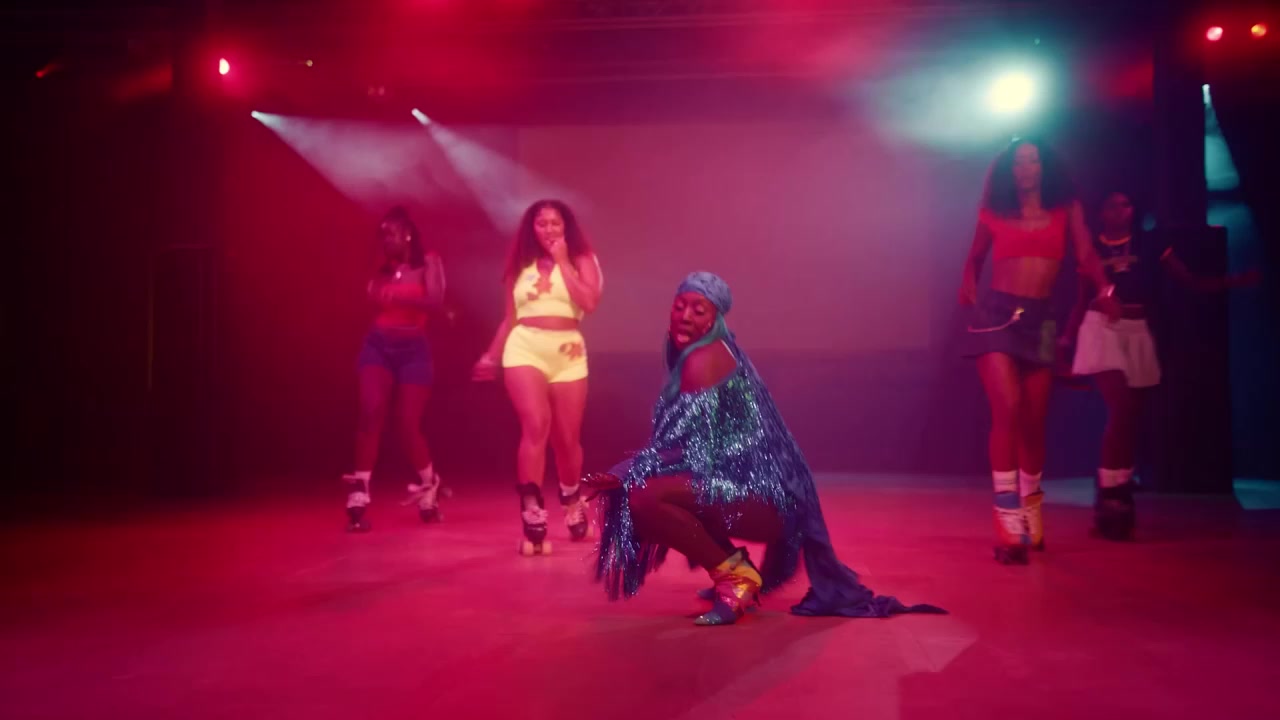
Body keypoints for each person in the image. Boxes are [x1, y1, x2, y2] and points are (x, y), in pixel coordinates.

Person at [582, 272, 945, 626]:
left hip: (768, 503)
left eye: (698, 310)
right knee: (650, 489)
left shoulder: (703, 360)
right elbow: (691, 450)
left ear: (715, 319)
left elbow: (687, 451)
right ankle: (737, 571)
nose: (685, 316)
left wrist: (624, 473)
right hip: (763, 496)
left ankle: (735, 579)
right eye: (680, 307)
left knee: (643, 497)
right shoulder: (715, 350)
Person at [958, 137, 1120, 564]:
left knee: (1033, 423)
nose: (1026, 168)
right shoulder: (994, 211)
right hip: (997, 317)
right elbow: (975, 257)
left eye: (1033, 161)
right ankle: (1008, 519)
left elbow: (1086, 254)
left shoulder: (1066, 210)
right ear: (1009, 170)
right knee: (1008, 408)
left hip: (1041, 321)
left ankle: (1031, 508)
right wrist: (968, 282)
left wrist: (1104, 289)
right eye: (1019, 162)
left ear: (1043, 167)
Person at [1061, 190, 1259, 540]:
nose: (1120, 210)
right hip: (1100, 327)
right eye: (1112, 205)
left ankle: (1118, 490)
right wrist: (1065, 341)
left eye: (1126, 204)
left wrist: (1232, 281)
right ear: (1101, 212)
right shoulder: (1092, 249)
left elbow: (1189, 280)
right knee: (1121, 409)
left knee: (1132, 419)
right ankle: (1110, 492)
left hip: (1137, 328)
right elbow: (1079, 301)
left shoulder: (1150, 244)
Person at [472, 200, 603, 555]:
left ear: (566, 227)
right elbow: (511, 317)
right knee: (535, 424)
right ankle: (532, 509)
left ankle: (571, 496)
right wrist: (491, 355)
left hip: (567, 352)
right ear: (532, 229)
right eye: (541, 223)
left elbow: (590, 302)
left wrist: (562, 261)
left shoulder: (582, 259)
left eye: (555, 223)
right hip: (525, 347)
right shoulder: (520, 265)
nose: (548, 229)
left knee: (566, 440)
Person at [342, 207, 447, 532]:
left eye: (390, 233)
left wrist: (399, 298)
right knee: (370, 411)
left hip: (413, 349)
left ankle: (429, 483)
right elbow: (367, 295)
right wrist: (379, 288)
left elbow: (436, 300)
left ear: (407, 234)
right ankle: (360, 489)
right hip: (379, 345)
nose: (385, 239)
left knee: (408, 423)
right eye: (382, 235)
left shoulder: (428, 261)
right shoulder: (382, 266)